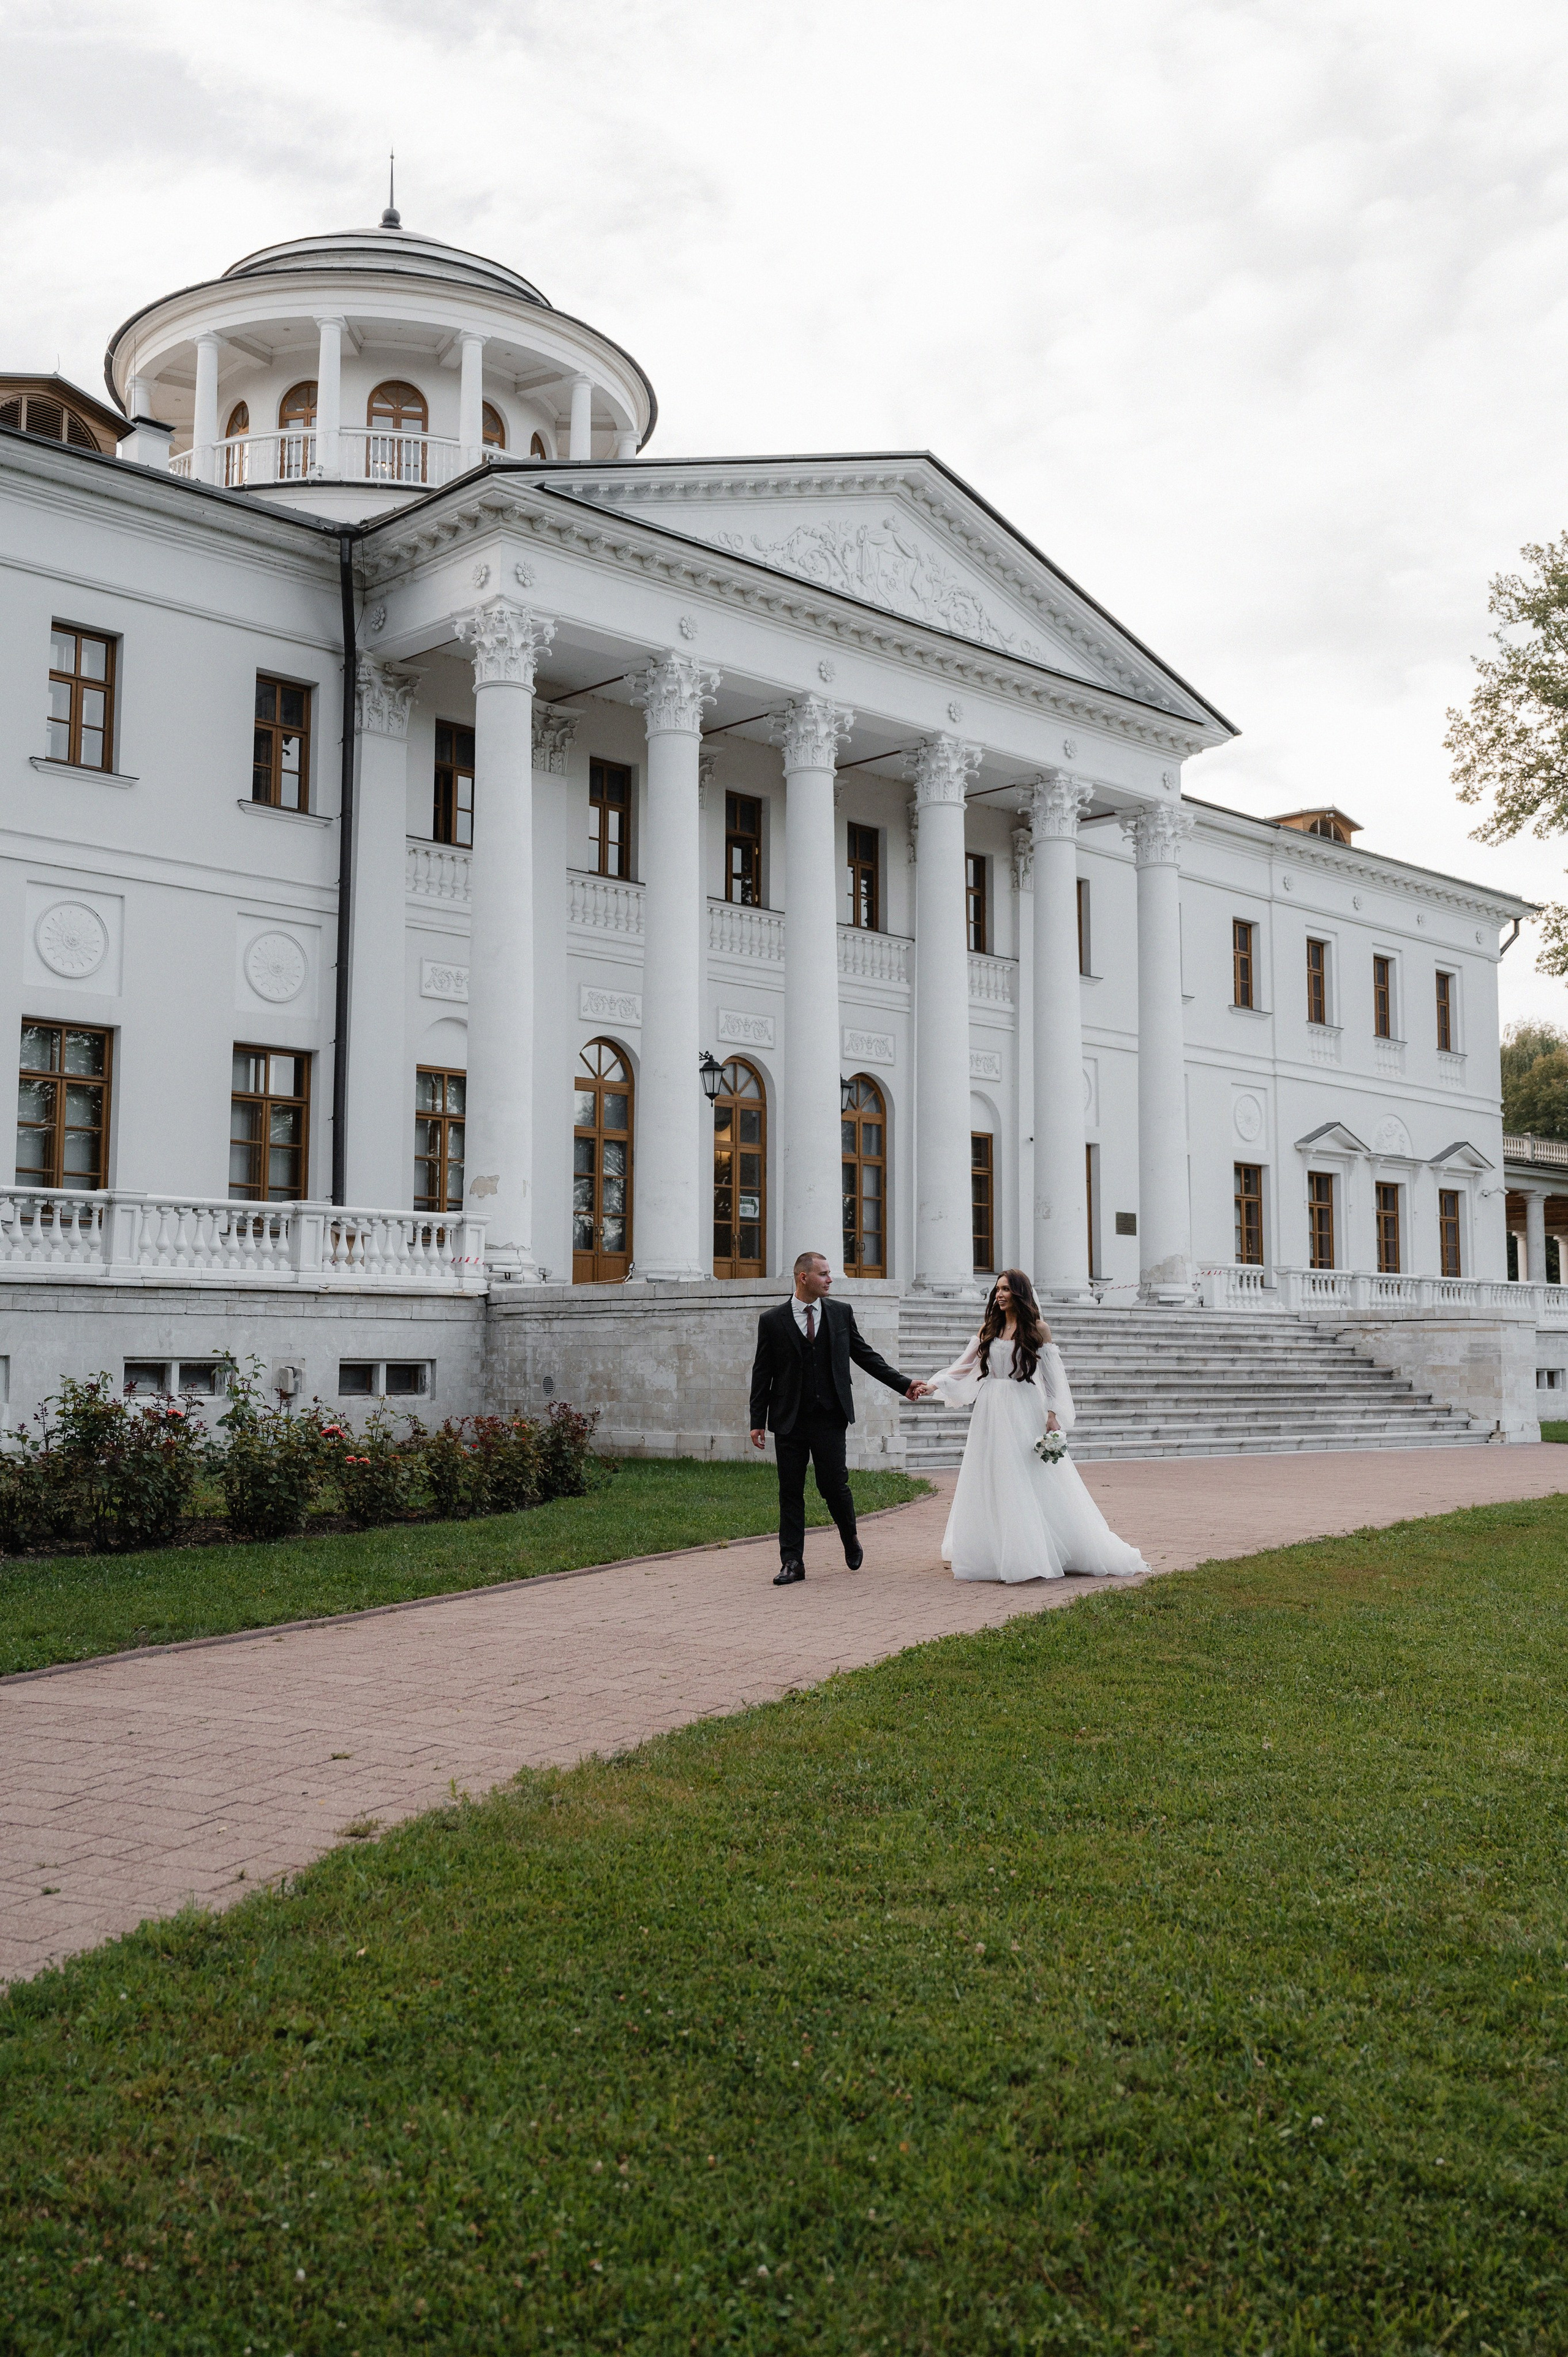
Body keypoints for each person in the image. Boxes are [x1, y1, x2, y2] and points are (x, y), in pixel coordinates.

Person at [927, 1267, 1147, 1583]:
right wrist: (934, 1386)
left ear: (1019, 1293)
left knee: (1025, 1473)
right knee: (991, 1473)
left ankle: (1036, 1550)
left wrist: (1053, 1413)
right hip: (990, 1407)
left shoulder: (1039, 1330)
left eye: (1005, 1289)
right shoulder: (988, 1329)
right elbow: (962, 1367)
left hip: (1023, 1406)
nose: (1000, 1295)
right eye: (997, 1290)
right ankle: (992, 1548)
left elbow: (1053, 1377)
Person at [750, 1249, 931, 1587]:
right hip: (789, 1419)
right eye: (823, 1274)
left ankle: (850, 1538)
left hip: (829, 1417)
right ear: (803, 1278)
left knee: (833, 1485)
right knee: (790, 1491)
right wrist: (757, 1420)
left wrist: (904, 1384)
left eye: (829, 1274)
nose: (830, 1279)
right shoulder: (772, 1320)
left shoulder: (840, 1313)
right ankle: (792, 1562)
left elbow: (865, 1355)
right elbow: (763, 1373)